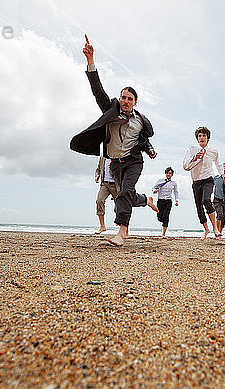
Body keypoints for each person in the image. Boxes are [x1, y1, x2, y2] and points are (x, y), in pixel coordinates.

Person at [70, 35, 158, 246]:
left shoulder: (141, 121)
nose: (126, 101)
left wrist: (150, 149)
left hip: (133, 161)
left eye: (130, 98)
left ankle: (121, 232)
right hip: (115, 163)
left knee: (124, 193)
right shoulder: (111, 109)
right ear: (119, 99)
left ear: (135, 102)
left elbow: (143, 139)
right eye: (123, 97)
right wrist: (90, 61)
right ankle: (145, 200)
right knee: (127, 195)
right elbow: (97, 90)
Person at [183, 126, 222, 239]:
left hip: (208, 179)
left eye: (204, 135)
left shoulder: (213, 151)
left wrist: (222, 175)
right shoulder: (191, 149)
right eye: (199, 136)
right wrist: (195, 158)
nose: (201, 137)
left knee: (206, 200)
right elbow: (185, 166)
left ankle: (215, 228)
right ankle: (206, 230)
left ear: (207, 138)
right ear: (197, 138)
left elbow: (218, 164)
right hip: (196, 182)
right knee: (199, 208)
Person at [94, 156, 119, 234]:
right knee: (99, 201)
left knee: (119, 204)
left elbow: (123, 169)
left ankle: (122, 226)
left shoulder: (117, 156)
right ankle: (102, 226)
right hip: (105, 184)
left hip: (116, 185)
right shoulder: (102, 158)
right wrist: (97, 175)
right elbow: (98, 169)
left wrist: (114, 167)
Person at [153, 167, 179, 238]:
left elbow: (176, 192)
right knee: (159, 217)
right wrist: (155, 191)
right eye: (167, 173)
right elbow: (154, 188)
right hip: (160, 201)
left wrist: (176, 200)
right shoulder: (160, 181)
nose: (168, 174)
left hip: (168, 201)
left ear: (172, 174)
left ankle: (163, 234)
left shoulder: (174, 183)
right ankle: (161, 220)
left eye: (170, 173)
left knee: (166, 216)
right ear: (165, 173)